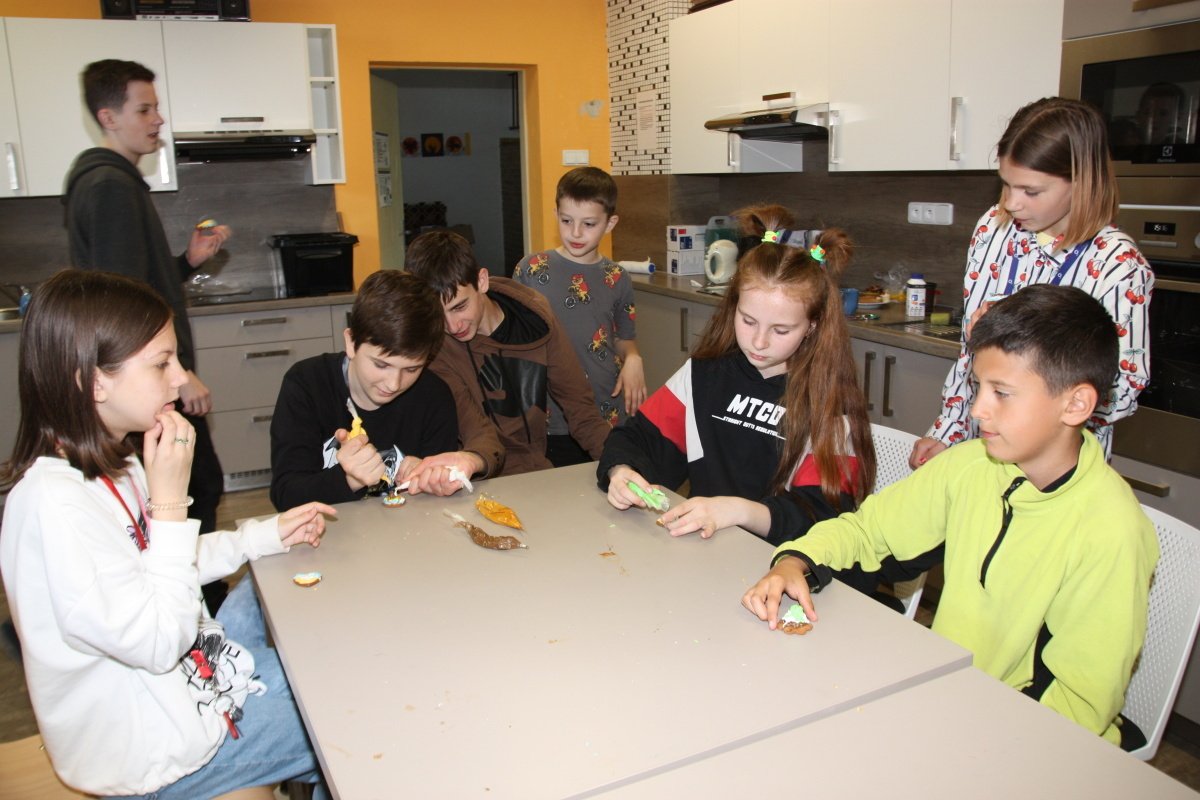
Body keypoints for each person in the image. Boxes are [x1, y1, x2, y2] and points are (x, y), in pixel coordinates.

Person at [744, 284, 1159, 749]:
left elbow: (1079, 706)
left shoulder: (1111, 531)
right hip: (947, 696)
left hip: (1023, 738)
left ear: (1076, 404)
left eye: (1002, 393)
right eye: (978, 387)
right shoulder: (971, 466)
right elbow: (867, 532)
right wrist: (796, 561)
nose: (978, 409)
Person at [0, 270, 334, 798]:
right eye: (162, 363)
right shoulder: (51, 506)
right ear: (94, 381)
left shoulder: (115, 461)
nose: (180, 378)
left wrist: (264, 535)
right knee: (353, 704)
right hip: (151, 754)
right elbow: (159, 641)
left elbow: (161, 563)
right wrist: (170, 501)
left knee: (319, 643)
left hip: (191, 690)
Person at [597, 206, 890, 585]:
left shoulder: (828, 402)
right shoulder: (704, 375)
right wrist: (623, 471)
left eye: (781, 330)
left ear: (812, 326)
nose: (759, 341)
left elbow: (824, 518)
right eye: (748, 321)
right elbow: (639, 439)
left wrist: (738, 512)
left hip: (787, 572)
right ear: (733, 306)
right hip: (709, 561)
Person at [64, 58, 233, 610]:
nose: (158, 119)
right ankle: (198, 615)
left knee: (185, 490)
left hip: (142, 376)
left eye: (156, 107)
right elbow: (125, 307)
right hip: (149, 381)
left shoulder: (108, 182)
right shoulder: (110, 187)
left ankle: (193, 607)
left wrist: (185, 262)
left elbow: (132, 284)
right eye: (144, 109)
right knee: (194, 490)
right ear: (108, 116)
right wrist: (179, 375)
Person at [910, 97, 1153, 469]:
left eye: (1031, 191)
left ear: (1081, 182)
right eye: (1006, 185)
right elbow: (971, 358)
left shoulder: (1117, 265)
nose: (1012, 203)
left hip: (1052, 471)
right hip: (980, 457)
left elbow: (1123, 391)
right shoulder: (994, 228)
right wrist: (947, 432)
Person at [404, 229, 613, 477]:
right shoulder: (434, 347)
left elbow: (580, 408)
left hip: (535, 473)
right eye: (437, 314)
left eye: (460, 306)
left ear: (482, 281)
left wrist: (619, 462)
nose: (452, 326)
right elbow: (475, 432)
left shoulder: (537, 317)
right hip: (473, 478)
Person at [270, 270, 467, 509]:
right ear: (351, 342)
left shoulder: (434, 396)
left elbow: (439, 502)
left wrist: (429, 479)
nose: (393, 384)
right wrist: (349, 479)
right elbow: (286, 495)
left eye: (412, 369)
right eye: (381, 365)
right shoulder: (307, 385)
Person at [513, 167, 645, 466]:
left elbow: (624, 338)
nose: (575, 232)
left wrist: (634, 358)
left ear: (610, 223)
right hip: (549, 413)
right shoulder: (531, 269)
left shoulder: (617, 277)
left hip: (605, 407)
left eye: (588, 224)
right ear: (556, 214)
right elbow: (514, 342)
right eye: (566, 220)